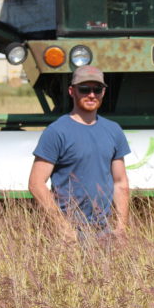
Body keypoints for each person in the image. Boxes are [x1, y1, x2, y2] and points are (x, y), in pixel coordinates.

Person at [28, 65, 131, 243]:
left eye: (97, 89)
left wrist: (121, 227)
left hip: (104, 230)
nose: (91, 94)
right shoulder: (56, 132)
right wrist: (62, 227)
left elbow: (120, 183)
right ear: (72, 91)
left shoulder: (113, 130)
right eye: (84, 89)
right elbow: (36, 183)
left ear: (103, 92)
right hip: (70, 232)